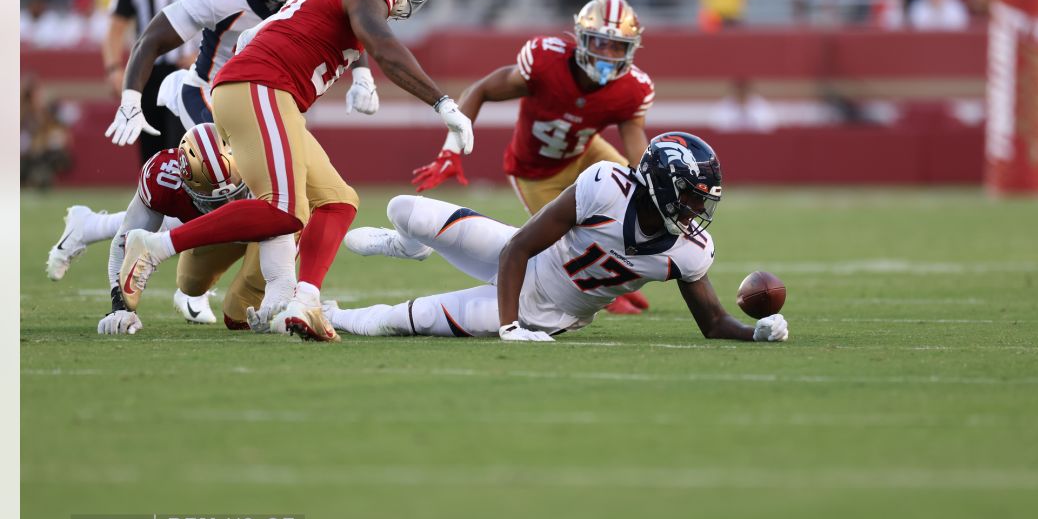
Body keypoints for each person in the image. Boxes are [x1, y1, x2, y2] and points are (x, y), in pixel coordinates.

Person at [117, 0, 475, 343]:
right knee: (284, 209)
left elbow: (267, 32)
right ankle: (154, 247)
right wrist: (442, 101)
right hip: (261, 86)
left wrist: (358, 77)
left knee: (338, 201)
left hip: (266, 89)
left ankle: (304, 301)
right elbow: (380, 42)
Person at [331, 133, 789, 344]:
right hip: (524, 262)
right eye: (690, 199)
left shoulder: (687, 251)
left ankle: (330, 315)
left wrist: (756, 333)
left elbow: (712, 323)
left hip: (546, 312)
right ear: (660, 185)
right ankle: (412, 246)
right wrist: (507, 330)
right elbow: (519, 247)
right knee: (403, 209)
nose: (696, 214)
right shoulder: (606, 186)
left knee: (402, 320)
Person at [412, 0, 655, 315]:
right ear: (582, 38)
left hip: (586, 154)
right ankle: (602, 292)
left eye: (617, 46)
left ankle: (625, 274)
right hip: (535, 172)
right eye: (599, 42)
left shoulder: (632, 88)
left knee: (636, 198)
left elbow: (636, 146)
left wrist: (654, 185)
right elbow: (481, 89)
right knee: (563, 245)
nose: (607, 54)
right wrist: (451, 149)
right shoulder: (545, 61)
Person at [106, 0, 381, 148]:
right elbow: (150, 40)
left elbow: (350, 22)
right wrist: (131, 99)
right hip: (210, 93)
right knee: (225, 173)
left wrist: (363, 76)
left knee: (291, 184)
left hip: (269, 100)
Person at [90, 123, 281, 335]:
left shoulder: (264, 163)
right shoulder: (163, 179)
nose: (229, 208)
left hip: (271, 231)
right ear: (186, 184)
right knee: (190, 284)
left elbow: (293, 219)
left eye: (236, 196)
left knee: (238, 312)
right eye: (216, 203)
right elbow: (125, 240)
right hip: (219, 235)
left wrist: (280, 292)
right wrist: (121, 308)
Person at [102, 0, 196, 164]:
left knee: (186, 152)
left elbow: (221, 23)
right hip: (149, 74)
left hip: (189, 74)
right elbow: (115, 28)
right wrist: (113, 69)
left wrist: (202, 56)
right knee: (151, 155)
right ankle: (154, 203)